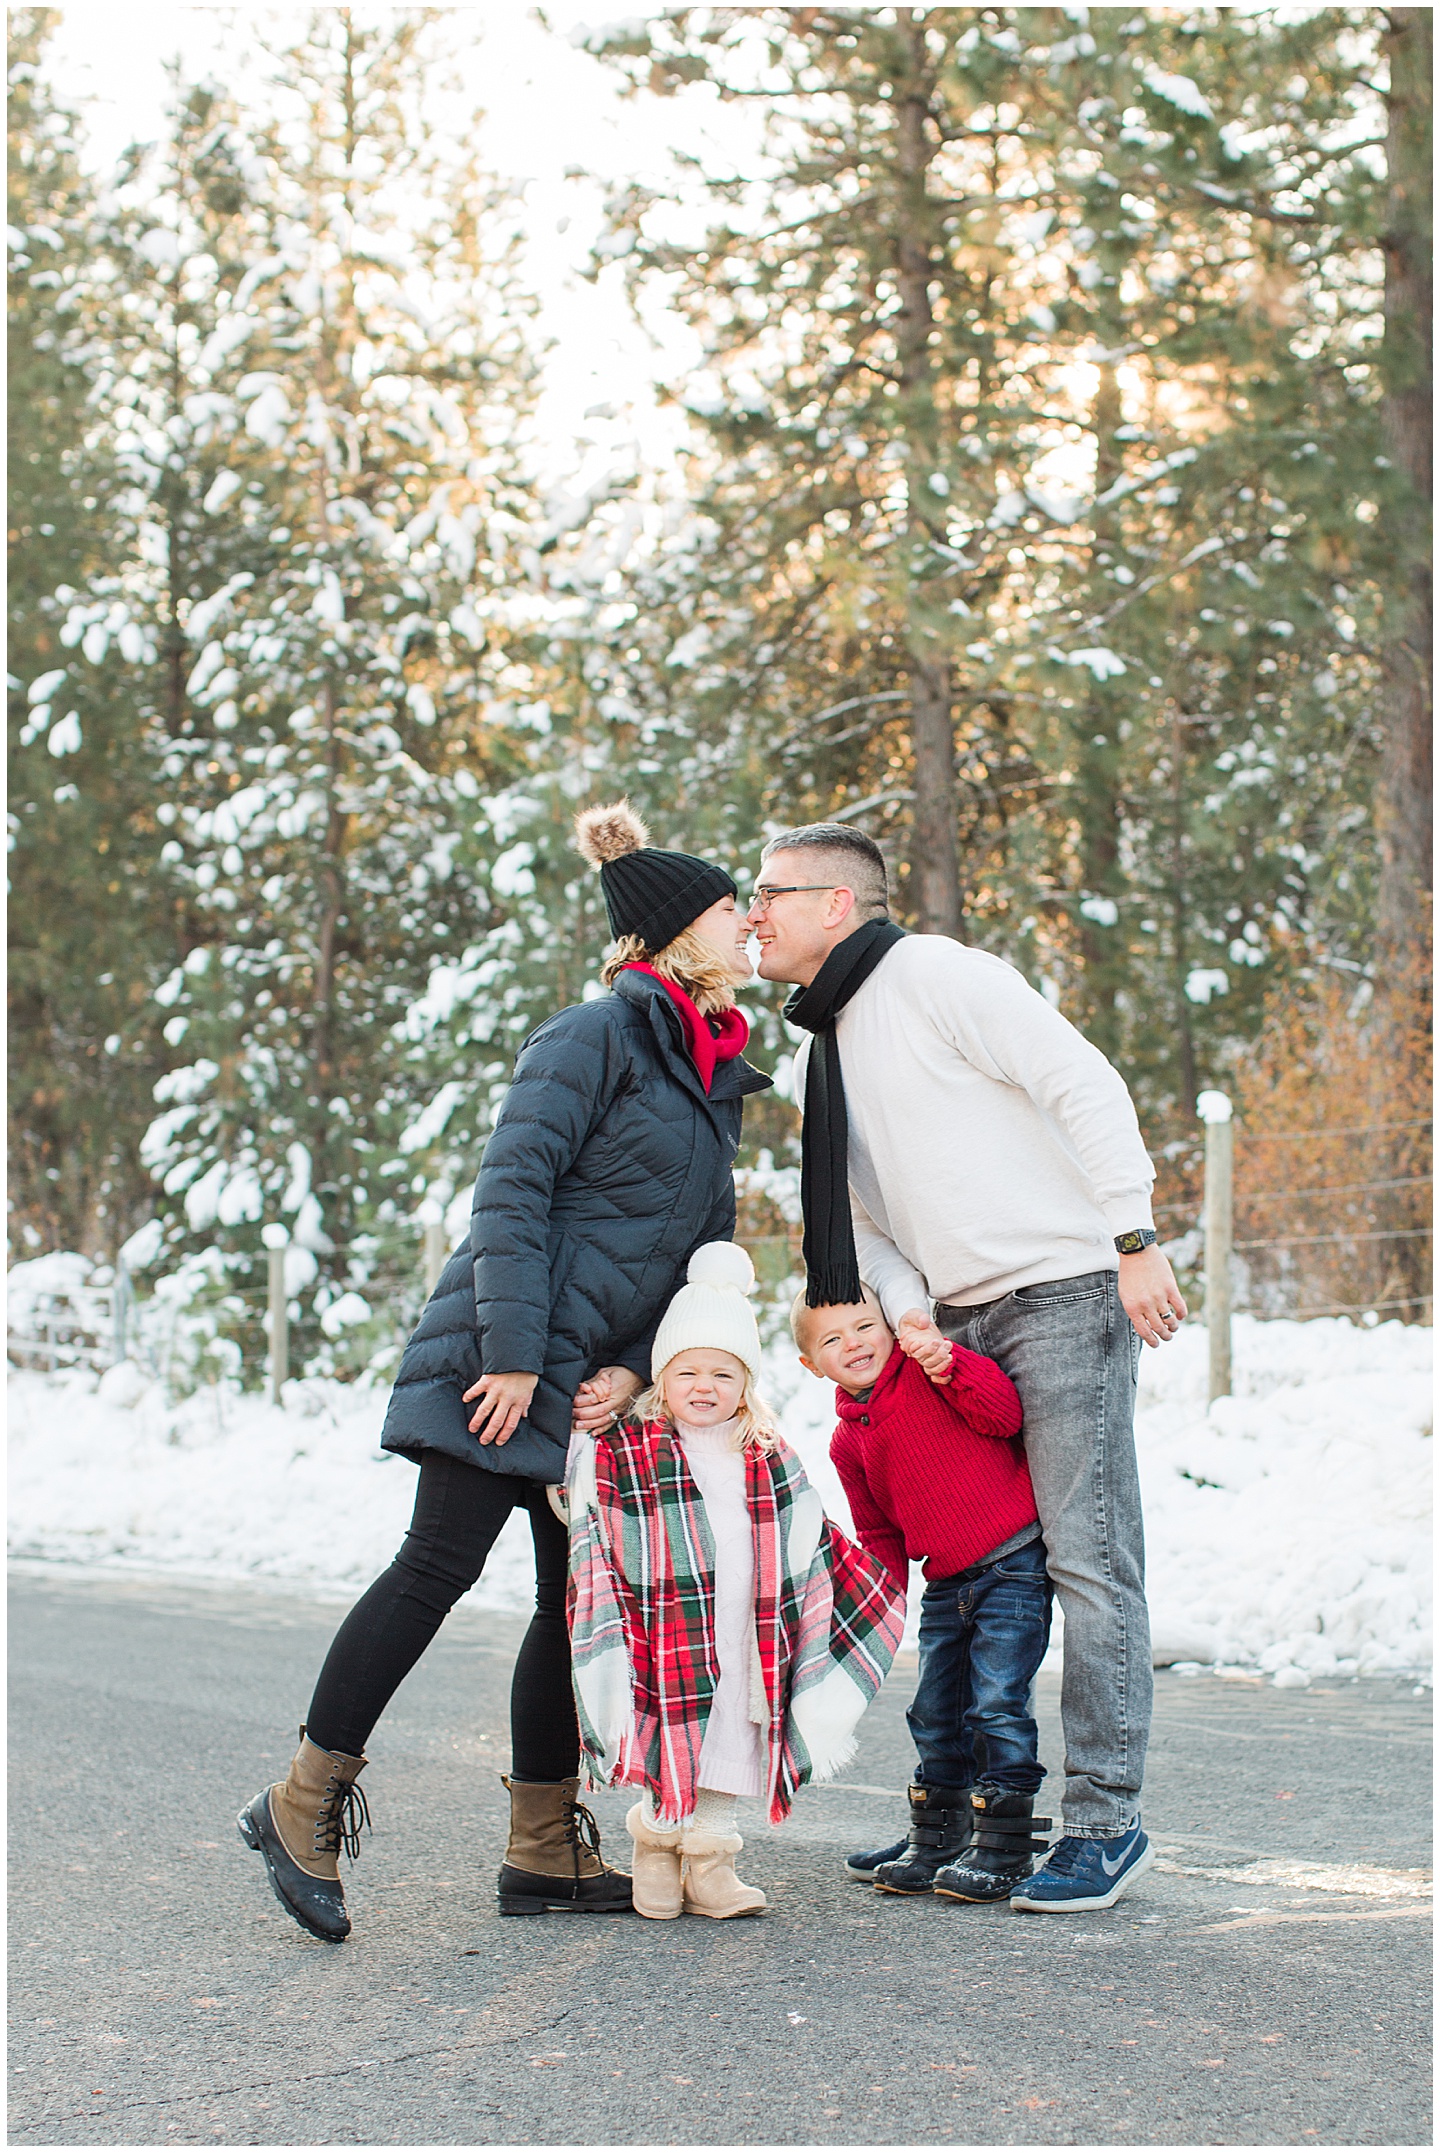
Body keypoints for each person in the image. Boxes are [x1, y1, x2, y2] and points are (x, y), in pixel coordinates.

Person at [238, 802, 771, 1941]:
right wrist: (520, 1356)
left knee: (561, 1598)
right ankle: (302, 1802)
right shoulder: (593, 1034)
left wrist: (635, 1369)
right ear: (681, 930)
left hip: (590, 1381)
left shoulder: (715, 1070)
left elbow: (695, 1251)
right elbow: (511, 1195)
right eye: (736, 909)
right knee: (435, 1563)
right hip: (502, 1356)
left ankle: (541, 1846)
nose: (753, 926)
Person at [750, 821, 1186, 1913]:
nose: (752, 912)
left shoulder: (939, 975)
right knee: (969, 1567)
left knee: (1089, 1558)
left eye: (771, 892)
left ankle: (1103, 1819)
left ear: (836, 904)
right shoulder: (823, 1051)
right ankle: (980, 1813)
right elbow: (861, 1222)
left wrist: (1131, 1239)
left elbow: (1079, 1081)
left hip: (1066, 1292)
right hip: (951, 1330)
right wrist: (911, 1324)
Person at [565, 1243, 905, 1921]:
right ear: (662, 1376)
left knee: (732, 1739)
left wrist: (862, 1582)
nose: (703, 1385)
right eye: (687, 1370)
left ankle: (712, 1859)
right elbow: (587, 1508)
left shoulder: (767, 1452)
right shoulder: (633, 1448)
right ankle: (657, 1849)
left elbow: (807, 1528)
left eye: (723, 1372)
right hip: (663, 1630)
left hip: (748, 1632)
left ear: (745, 1383)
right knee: (671, 1727)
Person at [794, 1285, 1054, 1904]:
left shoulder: (930, 1372)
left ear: (891, 1327)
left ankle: (1005, 1842)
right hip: (945, 1582)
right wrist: (882, 1603)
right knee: (935, 1712)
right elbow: (879, 1529)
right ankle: (940, 1832)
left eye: (863, 1326)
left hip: (1011, 1563)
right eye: (832, 1340)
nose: (852, 1343)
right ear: (811, 1365)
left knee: (996, 1703)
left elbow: (1004, 1415)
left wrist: (950, 1361)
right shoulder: (847, 1440)